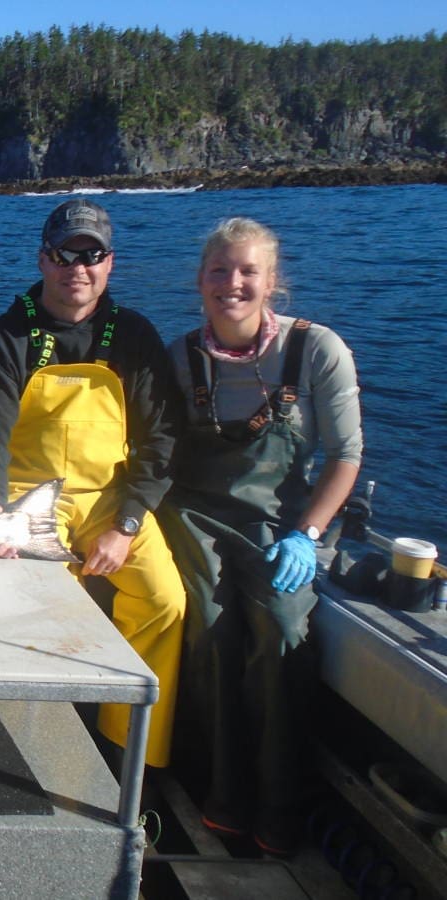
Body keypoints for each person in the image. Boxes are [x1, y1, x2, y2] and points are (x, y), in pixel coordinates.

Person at [0, 198, 185, 769]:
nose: (76, 268)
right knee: (39, 602)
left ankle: (131, 751)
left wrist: (127, 524)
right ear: (43, 259)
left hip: (112, 501)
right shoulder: (9, 335)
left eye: (91, 256)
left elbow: (160, 442)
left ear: (110, 263)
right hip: (29, 500)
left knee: (165, 601)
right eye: (64, 255)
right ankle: (38, 753)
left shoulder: (135, 335)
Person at [160, 217, 362, 855]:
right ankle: (218, 788)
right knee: (209, 622)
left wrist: (308, 533)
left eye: (248, 271)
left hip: (283, 524)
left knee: (280, 625)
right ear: (200, 281)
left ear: (272, 281)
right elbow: (158, 454)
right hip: (194, 517)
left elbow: (345, 457)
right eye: (219, 270)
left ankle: (279, 800)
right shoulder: (180, 357)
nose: (233, 283)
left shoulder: (316, 350)